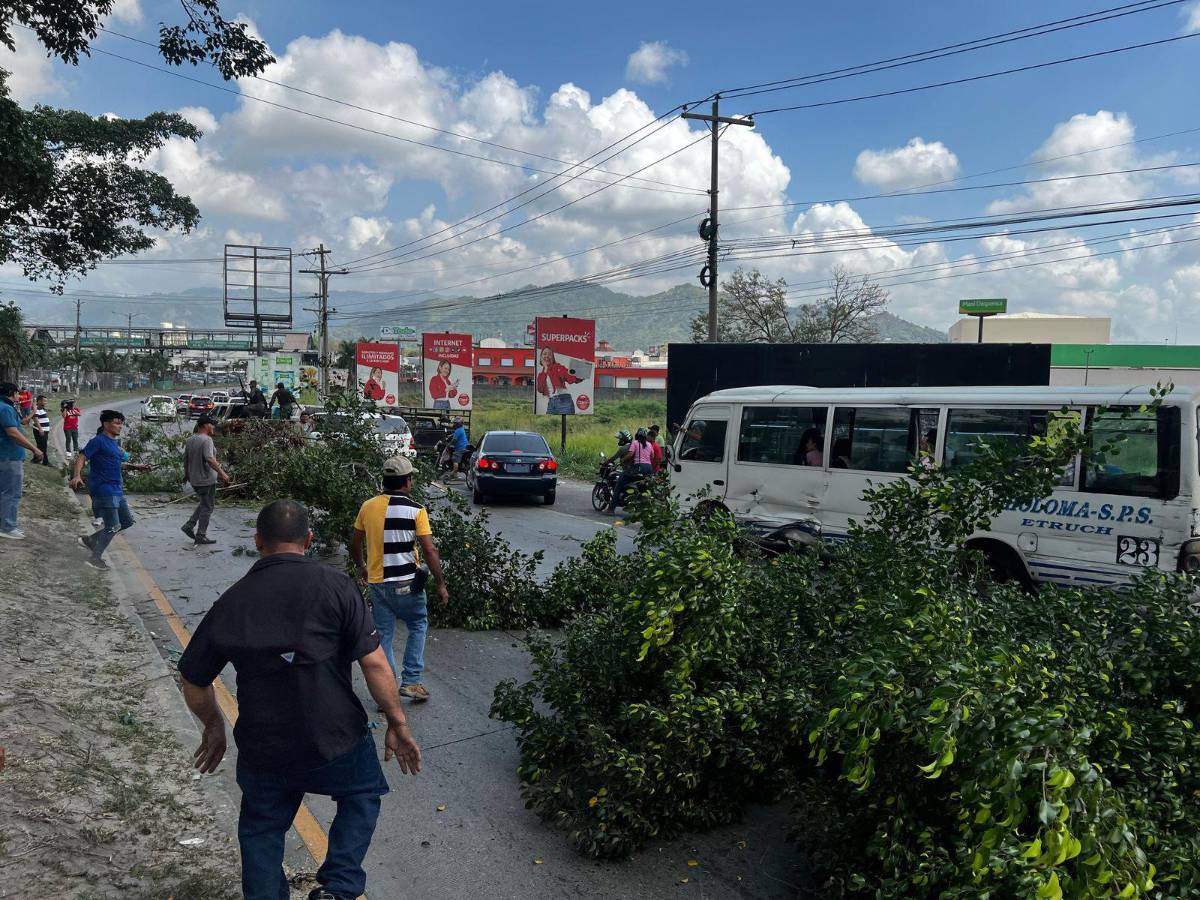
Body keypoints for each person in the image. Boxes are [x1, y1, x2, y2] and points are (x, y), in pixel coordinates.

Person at [178, 499, 422, 900]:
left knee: (261, 829)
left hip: (264, 745)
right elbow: (375, 664)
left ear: (258, 541)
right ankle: (337, 888)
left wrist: (214, 726)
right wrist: (398, 723)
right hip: (335, 738)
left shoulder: (233, 601)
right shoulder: (337, 586)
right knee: (361, 794)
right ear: (308, 540)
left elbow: (193, 678)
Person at [351, 457, 449, 704]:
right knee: (418, 623)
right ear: (406, 481)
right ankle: (412, 682)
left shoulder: (368, 506)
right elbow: (429, 550)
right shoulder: (416, 510)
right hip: (407, 583)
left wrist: (361, 566)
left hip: (378, 584)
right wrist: (440, 584)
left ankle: (387, 693)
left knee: (383, 634)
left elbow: (354, 543)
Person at [70, 410, 134, 571]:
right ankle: (94, 558)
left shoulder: (114, 444)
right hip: (104, 489)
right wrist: (77, 475)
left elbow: (115, 463)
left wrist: (137, 467)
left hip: (116, 489)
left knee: (126, 521)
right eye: (116, 423)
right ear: (106, 424)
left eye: (121, 423)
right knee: (112, 526)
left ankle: (90, 540)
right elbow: (82, 456)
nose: (120, 426)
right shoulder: (98, 441)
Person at [0, 382, 45, 540]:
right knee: (11, 493)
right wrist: (34, 448)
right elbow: (12, 433)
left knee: (4, 492)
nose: (19, 397)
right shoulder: (5, 408)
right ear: (12, 393)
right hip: (9, 455)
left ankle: (4, 523)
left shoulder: (5, 406)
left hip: (5, 455)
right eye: (18, 394)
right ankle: (7, 526)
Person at [182, 416, 231, 546]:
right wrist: (223, 474)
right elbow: (209, 458)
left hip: (195, 479)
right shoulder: (207, 440)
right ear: (206, 425)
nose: (213, 427)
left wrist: (187, 475)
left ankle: (189, 525)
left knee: (204, 503)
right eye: (212, 425)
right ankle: (201, 535)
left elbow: (186, 460)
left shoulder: (190, 439)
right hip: (205, 480)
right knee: (208, 507)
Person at [607, 427, 654, 514]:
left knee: (619, 484)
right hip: (649, 469)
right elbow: (652, 456)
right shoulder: (649, 444)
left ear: (636, 436)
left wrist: (622, 460)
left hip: (639, 468)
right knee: (644, 488)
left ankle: (611, 509)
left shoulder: (635, 443)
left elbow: (630, 454)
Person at [535, 348, 581, 415]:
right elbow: (540, 389)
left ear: (553, 357)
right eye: (545, 354)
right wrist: (545, 369)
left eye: (550, 354)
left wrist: (580, 366)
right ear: (541, 357)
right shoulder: (541, 375)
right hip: (551, 403)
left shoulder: (559, 367)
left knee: (568, 423)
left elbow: (571, 378)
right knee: (550, 424)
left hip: (564, 401)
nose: (547, 356)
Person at [31, 395, 52, 467]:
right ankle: (45, 462)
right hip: (39, 430)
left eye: (46, 401)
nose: (46, 402)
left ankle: (35, 459)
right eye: (44, 401)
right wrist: (40, 429)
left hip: (44, 430)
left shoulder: (41, 408)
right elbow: (35, 419)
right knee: (43, 446)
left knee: (41, 445)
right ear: (39, 401)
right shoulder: (36, 408)